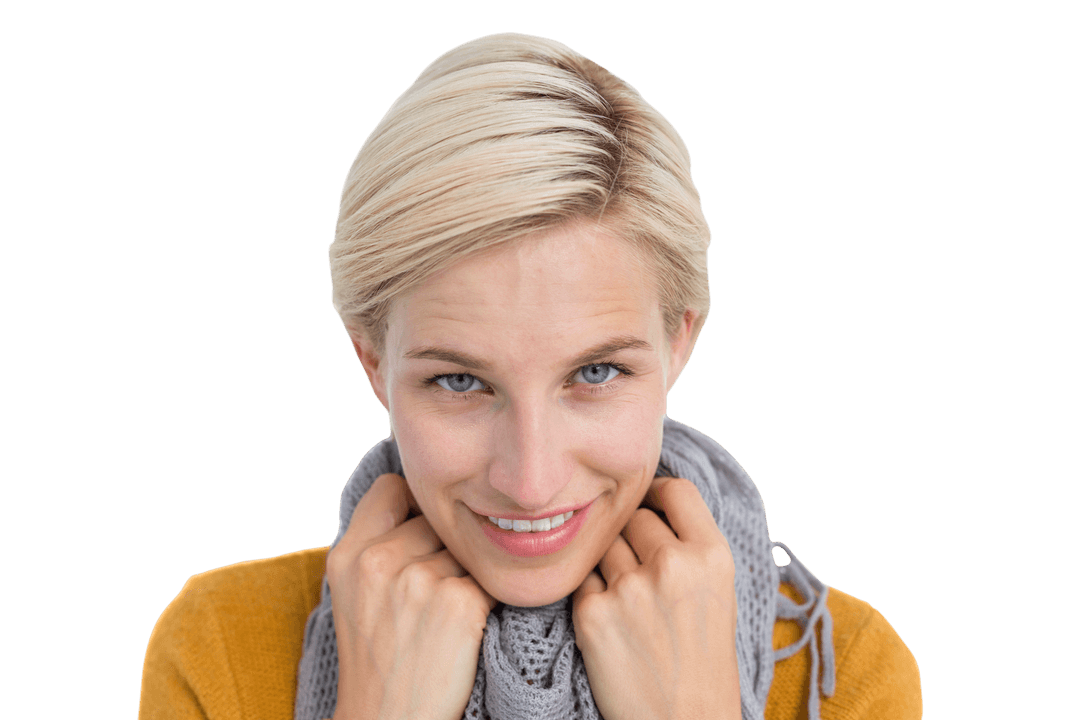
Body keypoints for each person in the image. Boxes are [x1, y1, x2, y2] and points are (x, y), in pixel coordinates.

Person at [138, 32, 921, 720]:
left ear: (680, 343)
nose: (531, 481)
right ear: (371, 361)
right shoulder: (222, 647)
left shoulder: (838, 671)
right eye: (458, 382)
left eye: (597, 371)